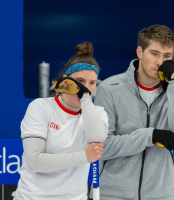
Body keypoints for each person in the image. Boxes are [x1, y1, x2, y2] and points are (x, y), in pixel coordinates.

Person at [92, 25, 174, 200]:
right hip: (113, 194)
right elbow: (102, 147)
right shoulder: (109, 89)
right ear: (140, 52)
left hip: (161, 195)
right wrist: (150, 135)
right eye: (154, 53)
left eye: (167, 56)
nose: (160, 62)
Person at [14, 42, 108, 200]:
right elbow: (35, 162)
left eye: (92, 83)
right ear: (66, 81)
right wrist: (84, 156)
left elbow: (96, 137)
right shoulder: (40, 107)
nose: (87, 87)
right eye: (80, 81)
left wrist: (85, 99)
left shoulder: (98, 113)